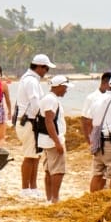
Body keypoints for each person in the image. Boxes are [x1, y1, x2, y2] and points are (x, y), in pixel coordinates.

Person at [15, 54, 53, 199]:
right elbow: (36, 103)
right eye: (46, 68)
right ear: (39, 67)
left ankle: (33, 187)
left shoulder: (30, 79)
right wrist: (44, 116)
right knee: (30, 156)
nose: (46, 72)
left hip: (31, 122)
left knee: (35, 156)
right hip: (29, 122)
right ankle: (25, 188)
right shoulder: (31, 81)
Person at [37, 75, 70, 203]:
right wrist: (57, 142)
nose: (66, 90)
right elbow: (49, 121)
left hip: (45, 140)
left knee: (49, 170)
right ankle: (55, 198)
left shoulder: (48, 98)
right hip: (52, 140)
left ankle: (50, 198)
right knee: (58, 171)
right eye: (65, 87)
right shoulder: (51, 100)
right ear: (59, 86)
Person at [83, 71, 111, 191]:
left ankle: (102, 191)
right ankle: (96, 194)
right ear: (106, 83)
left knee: (104, 170)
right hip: (97, 137)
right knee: (98, 171)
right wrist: (89, 139)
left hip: (108, 137)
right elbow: (85, 119)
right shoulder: (92, 98)